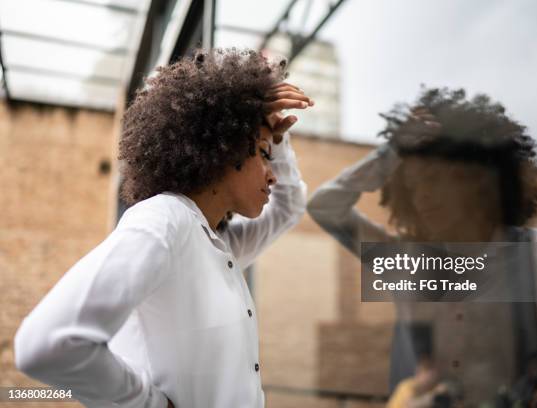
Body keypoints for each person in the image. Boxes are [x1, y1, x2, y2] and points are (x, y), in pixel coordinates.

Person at [14, 48, 313, 408]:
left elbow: (290, 206)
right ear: (224, 145)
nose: (272, 173)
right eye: (263, 154)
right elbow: (48, 343)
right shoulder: (165, 221)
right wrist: (149, 405)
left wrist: (278, 141)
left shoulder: (219, 246)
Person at [307, 87, 537, 392]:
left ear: (474, 179)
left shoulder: (531, 254)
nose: (422, 196)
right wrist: (391, 153)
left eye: (432, 179)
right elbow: (324, 206)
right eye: (412, 186)